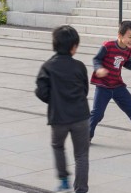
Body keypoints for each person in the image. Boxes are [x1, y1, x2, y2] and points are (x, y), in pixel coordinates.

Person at [35, 25, 90, 193]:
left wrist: (54, 100)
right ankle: (81, 189)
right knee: (81, 155)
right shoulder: (79, 66)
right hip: (80, 116)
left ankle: (64, 178)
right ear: (74, 47)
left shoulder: (47, 67)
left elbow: (41, 91)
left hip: (59, 117)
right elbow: (85, 89)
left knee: (58, 146)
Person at [89, 20, 131, 146]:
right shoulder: (107, 46)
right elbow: (97, 59)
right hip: (103, 86)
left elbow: (129, 63)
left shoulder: (128, 50)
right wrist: (99, 69)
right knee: (97, 114)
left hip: (118, 86)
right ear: (120, 35)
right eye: (130, 37)